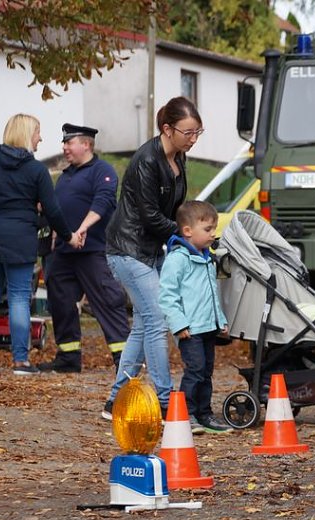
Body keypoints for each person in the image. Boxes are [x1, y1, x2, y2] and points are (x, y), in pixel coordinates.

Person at [102, 96, 201, 420]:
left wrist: (191, 229)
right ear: (168, 129)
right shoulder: (146, 159)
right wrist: (187, 235)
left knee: (144, 325)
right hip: (128, 249)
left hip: (152, 248)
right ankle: (164, 400)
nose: (193, 139)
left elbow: (174, 209)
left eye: (197, 132)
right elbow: (150, 216)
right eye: (188, 132)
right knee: (158, 319)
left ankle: (115, 400)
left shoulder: (179, 158)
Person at [0, 114, 82, 375]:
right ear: (27, 135)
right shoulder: (36, 170)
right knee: (18, 297)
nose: (41, 138)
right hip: (20, 240)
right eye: (38, 133)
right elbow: (53, 210)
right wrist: (69, 235)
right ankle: (20, 361)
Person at [38, 124, 129, 373]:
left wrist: (81, 229)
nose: (64, 148)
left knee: (108, 301)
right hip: (63, 252)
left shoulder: (102, 171)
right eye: (64, 143)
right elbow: (58, 209)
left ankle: (125, 359)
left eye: (69, 143)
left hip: (93, 250)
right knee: (61, 303)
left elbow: (104, 201)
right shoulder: (66, 176)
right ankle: (68, 358)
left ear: (86, 145)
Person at [159, 201, 231, 434]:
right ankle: (186, 414)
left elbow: (212, 295)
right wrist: (178, 324)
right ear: (188, 231)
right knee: (195, 370)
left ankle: (204, 413)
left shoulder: (207, 259)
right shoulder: (177, 259)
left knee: (206, 372)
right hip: (190, 330)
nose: (213, 234)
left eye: (214, 229)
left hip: (208, 326)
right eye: (208, 229)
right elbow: (167, 296)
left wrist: (220, 320)